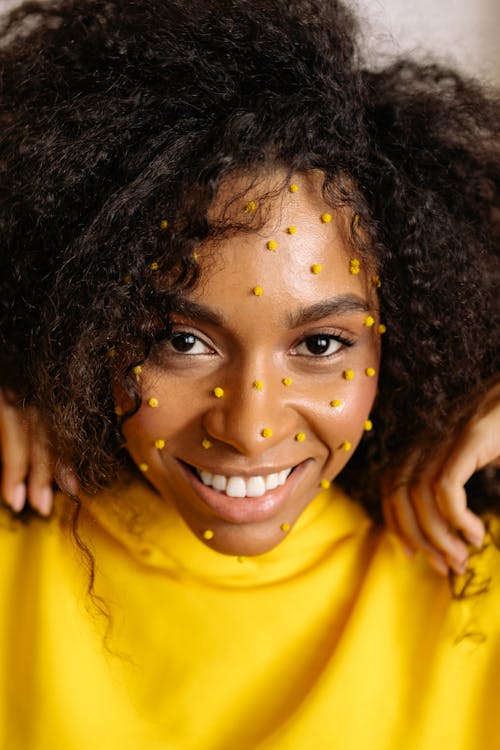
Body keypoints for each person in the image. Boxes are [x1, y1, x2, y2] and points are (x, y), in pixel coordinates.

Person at [0, 0, 498, 747]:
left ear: (413, 334)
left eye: (323, 346)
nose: (248, 427)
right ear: (82, 324)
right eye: (179, 340)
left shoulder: (474, 574)